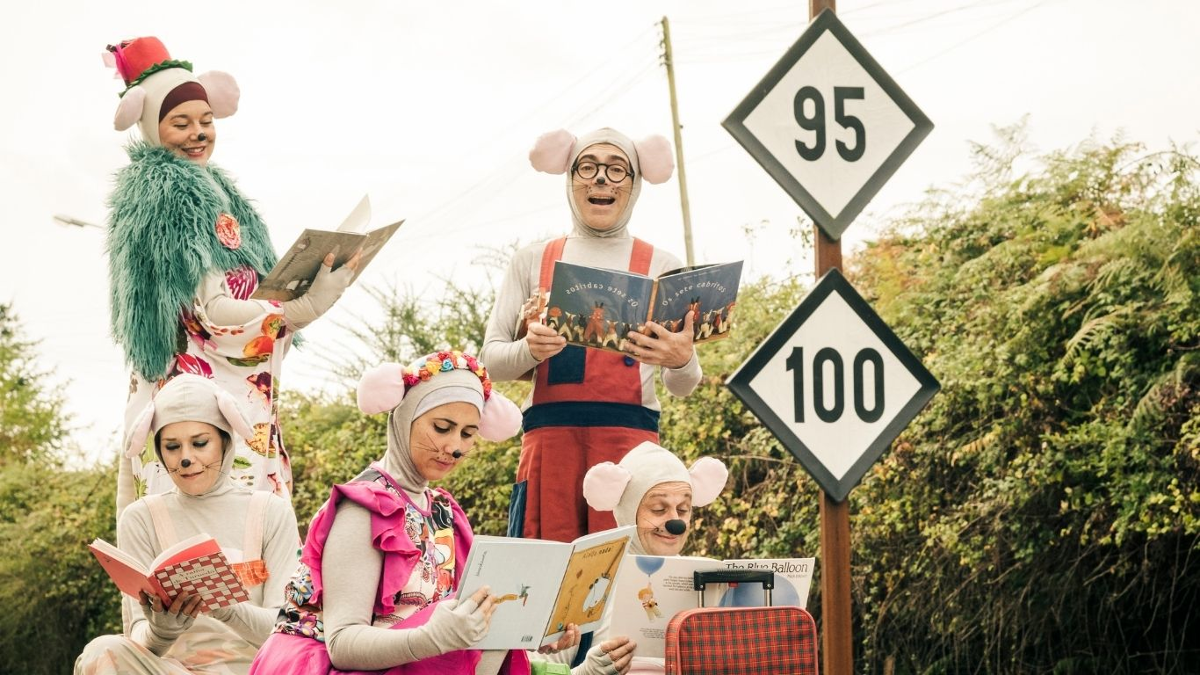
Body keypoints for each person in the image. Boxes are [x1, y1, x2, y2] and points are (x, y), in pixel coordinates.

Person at [103, 36, 358, 518]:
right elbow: (213, 314)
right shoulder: (171, 194)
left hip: (200, 397)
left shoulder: (209, 187)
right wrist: (304, 305)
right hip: (194, 406)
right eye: (180, 123)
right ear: (150, 126)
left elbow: (231, 300)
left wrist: (294, 296)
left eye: (206, 120)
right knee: (221, 534)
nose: (198, 134)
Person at [251, 350, 572, 675]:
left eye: (467, 434)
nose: (455, 447)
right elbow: (343, 644)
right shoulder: (363, 506)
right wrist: (431, 638)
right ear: (405, 417)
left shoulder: (444, 510)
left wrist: (529, 630)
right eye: (442, 427)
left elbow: (466, 616)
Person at [480, 128, 703, 543]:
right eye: (588, 167)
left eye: (617, 169)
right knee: (545, 570)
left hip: (632, 451)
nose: (601, 179)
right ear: (570, 178)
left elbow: (683, 385)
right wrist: (530, 349)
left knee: (626, 573)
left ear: (635, 183)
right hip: (550, 446)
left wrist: (682, 359)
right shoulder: (531, 260)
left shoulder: (663, 265)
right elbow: (490, 362)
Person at [75, 374, 301, 674]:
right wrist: (161, 631)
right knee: (101, 651)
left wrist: (226, 608)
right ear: (159, 450)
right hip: (172, 669)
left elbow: (287, 630)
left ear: (225, 441)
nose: (185, 458)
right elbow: (139, 634)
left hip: (258, 669)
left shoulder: (271, 511)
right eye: (172, 447)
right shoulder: (140, 518)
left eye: (200, 443)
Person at [531, 441, 729, 675]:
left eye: (683, 509)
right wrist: (585, 672)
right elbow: (526, 669)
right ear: (628, 512)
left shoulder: (711, 583)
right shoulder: (583, 582)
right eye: (658, 509)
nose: (675, 522)